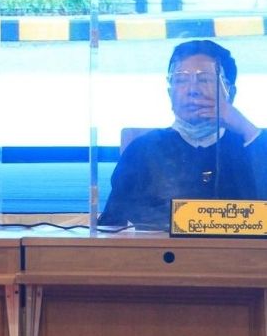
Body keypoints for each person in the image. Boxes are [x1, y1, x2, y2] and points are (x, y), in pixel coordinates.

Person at [98, 39, 265, 228]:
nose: (192, 90)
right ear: (169, 92)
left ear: (230, 93)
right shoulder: (143, 150)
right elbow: (112, 224)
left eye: (204, 80)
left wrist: (246, 128)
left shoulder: (251, 143)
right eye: (181, 80)